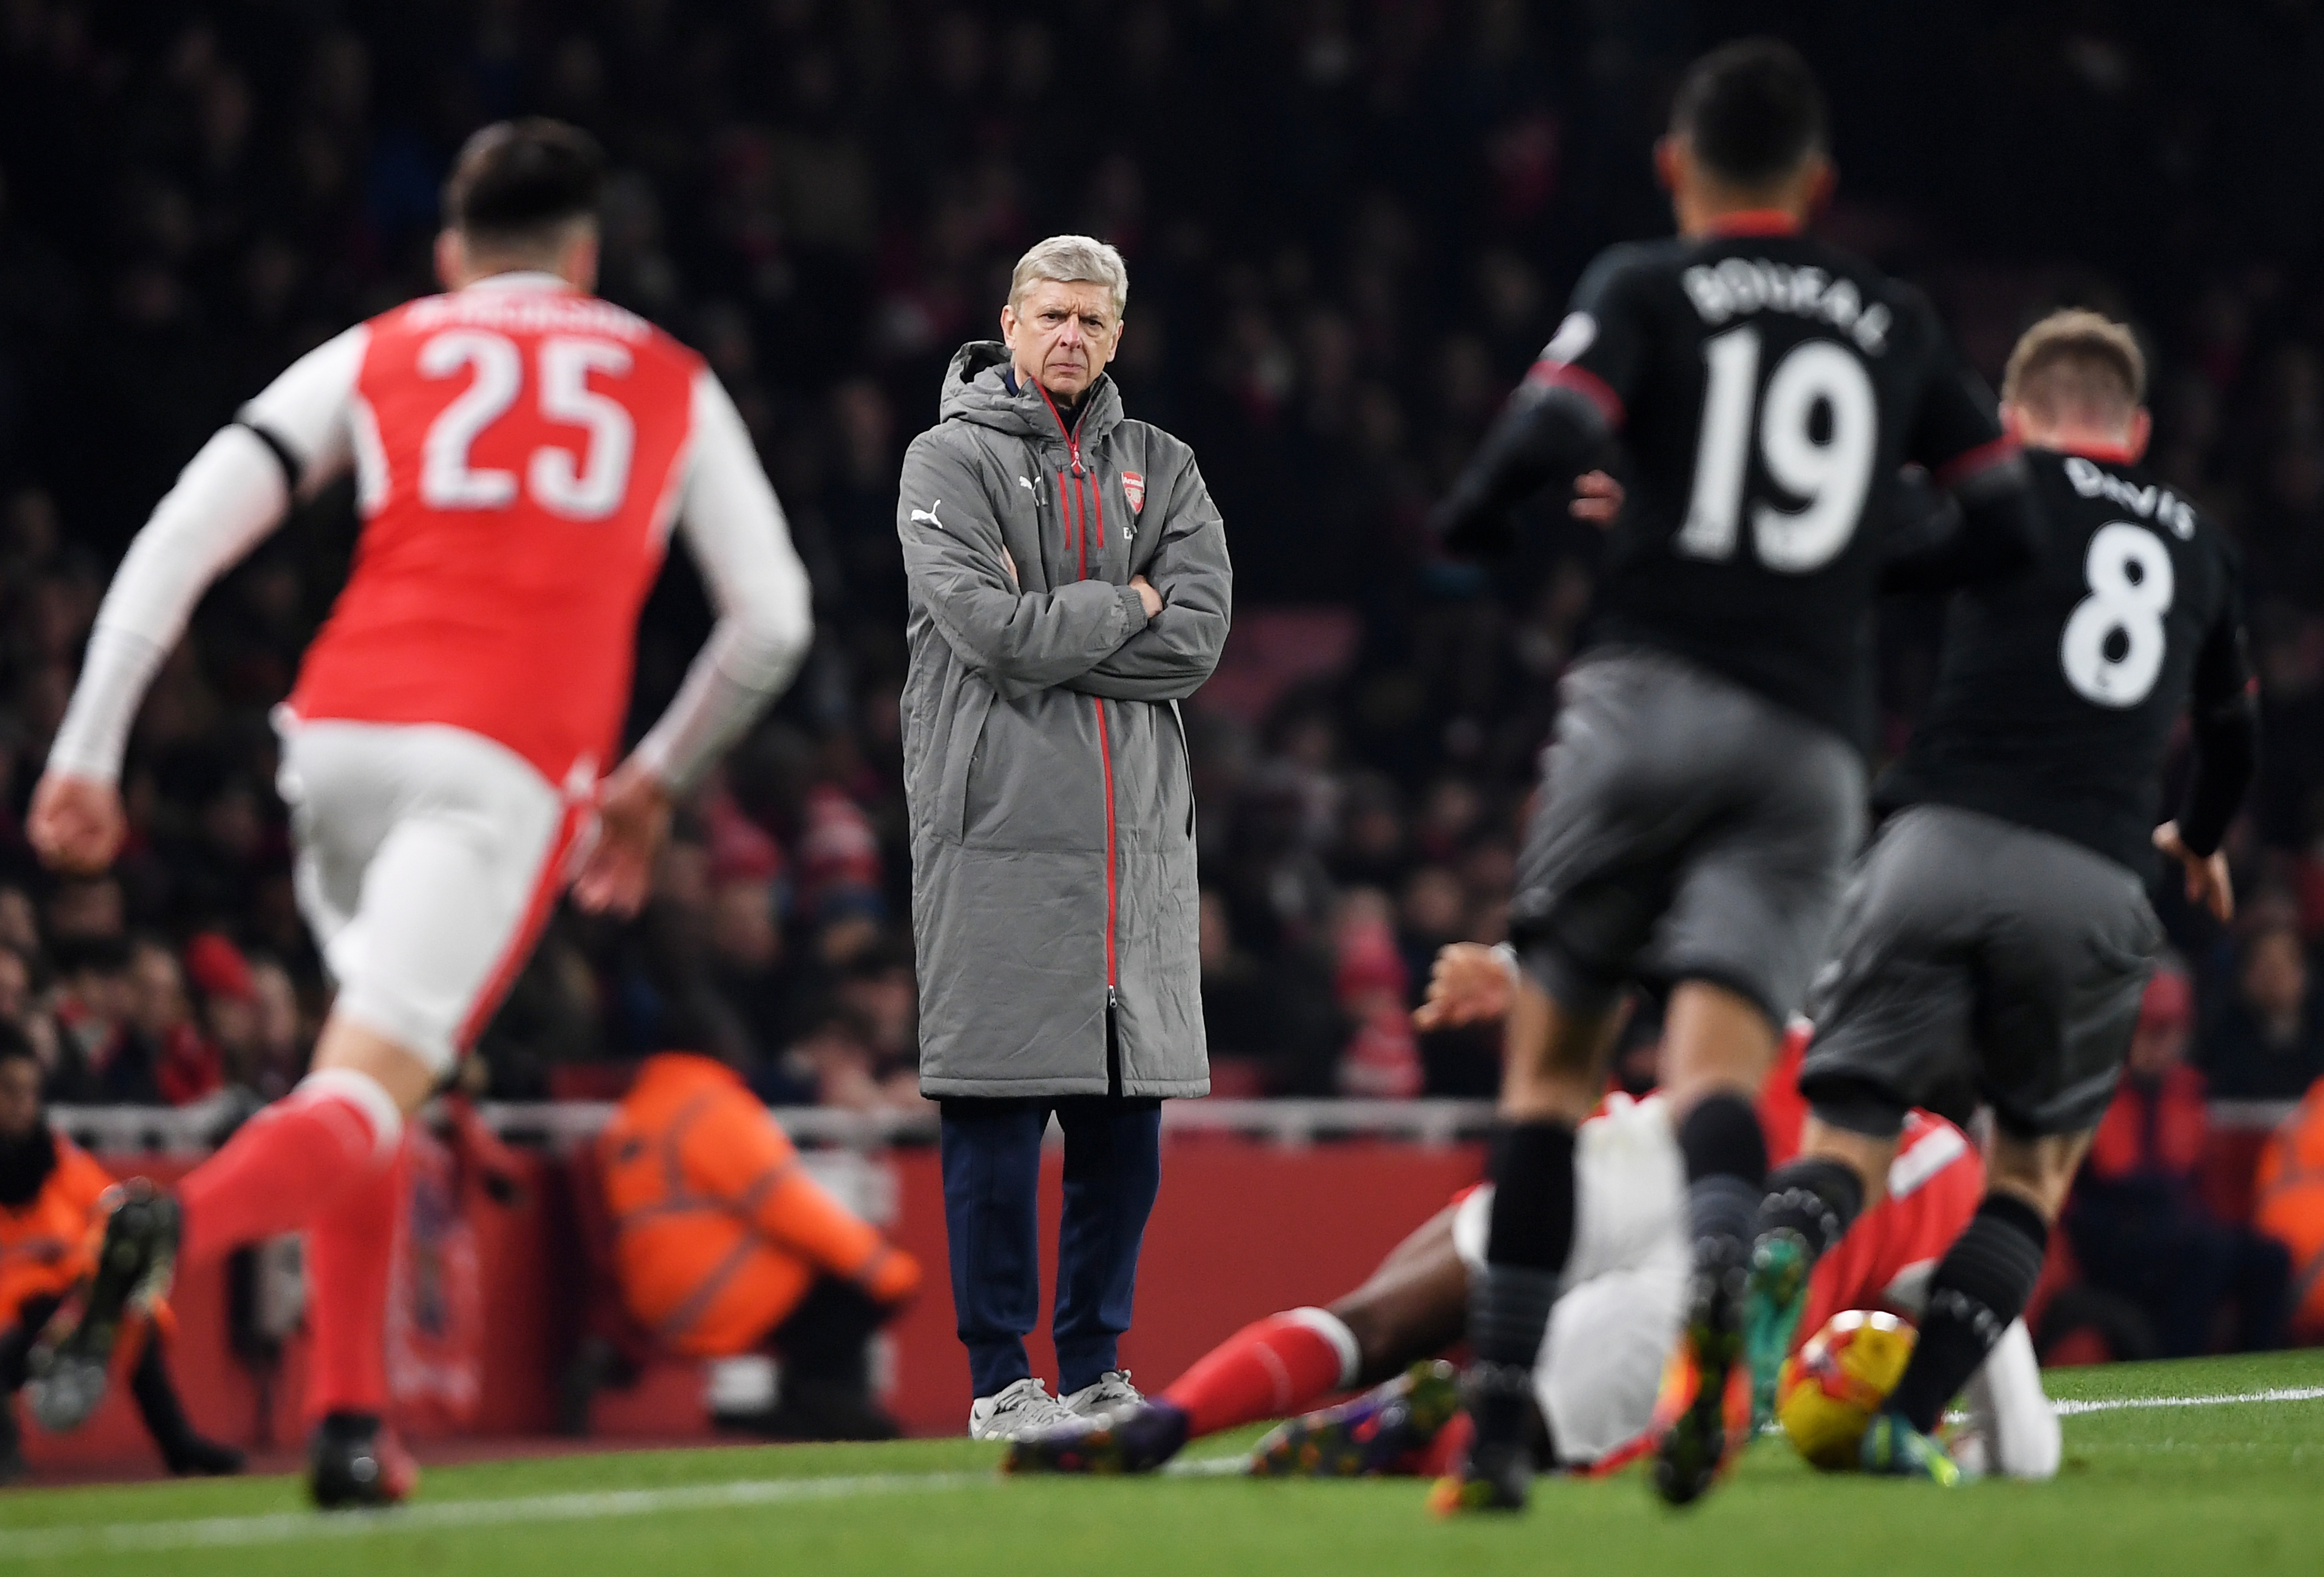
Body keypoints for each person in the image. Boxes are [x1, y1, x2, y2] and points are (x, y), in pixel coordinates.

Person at [23, 118, 813, 1507]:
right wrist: (653, 782)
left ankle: (347, 1424)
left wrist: (88, 749)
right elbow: (770, 625)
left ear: (454, 252)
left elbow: (184, 529)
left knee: (369, 1069)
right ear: (585, 255)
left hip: (332, 737)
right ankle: (148, 1237)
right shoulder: (666, 377)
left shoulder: (387, 344)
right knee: (367, 1084)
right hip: (501, 765)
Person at [1422, 38, 2040, 1510]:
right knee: (1714, 1069)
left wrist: (1470, 523)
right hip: (1810, 740)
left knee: (1548, 1076)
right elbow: (2000, 523)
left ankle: (1498, 1435)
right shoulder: (1885, 318)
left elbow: (1555, 428)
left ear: (1673, 168)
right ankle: (1722, 1253)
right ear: (1817, 185)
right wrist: (1856, 557)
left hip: (1646, 693)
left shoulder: (1646, 282)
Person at [1743, 307, 2258, 1484]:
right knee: (2026, 1175)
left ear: (2014, 415)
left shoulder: (1999, 488)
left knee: (1847, 1136)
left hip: (1933, 841)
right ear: (2132, 426)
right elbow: (2231, 742)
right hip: (2092, 873)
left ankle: (1782, 1248)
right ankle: (1907, 1419)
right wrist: (2201, 839)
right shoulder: (2202, 547)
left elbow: (1848, 553)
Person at [1008, 953, 2056, 1483]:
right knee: (1526, 1436)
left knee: (1372, 1317)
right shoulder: (1956, 1176)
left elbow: (1653, 954)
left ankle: (1166, 1421)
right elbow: (2025, 1443)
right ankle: (1412, 1431)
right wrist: (1946, 1444)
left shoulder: (1796, 1037)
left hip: (1635, 1154)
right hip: (1716, 1262)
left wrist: (1515, 968)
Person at [896, 235, 1231, 1441]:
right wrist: (1125, 602)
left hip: (1130, 854)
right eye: (1050, 317)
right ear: (1009, 319)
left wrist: (1076, 622)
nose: (1070, 338)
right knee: (992, 1121)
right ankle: (999, 1379)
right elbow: (990, 631)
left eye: (1092, 320)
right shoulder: (947, 459)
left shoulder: (1165, 467)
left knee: (1119, 1139)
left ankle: (1092, 1367)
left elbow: (1195, 641)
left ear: (1118, 333)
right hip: (992, 845)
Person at [585, 1050, 921, 1440]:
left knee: (828, 1301)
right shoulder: (709, 1107)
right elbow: (785, 1204)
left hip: (657, 1296)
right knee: (852, 1293)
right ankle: (823, 1411)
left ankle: (809, 1405)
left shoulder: (637, 1111)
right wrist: (881, 1269)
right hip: (711, 1292)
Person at [0, 1029, 241, 1483]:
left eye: (30, 1091)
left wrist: (84, 1257)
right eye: (9, 1090)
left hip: (60, 1298)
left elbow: (106, 1209)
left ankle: (178, 1443)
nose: (22, 1103)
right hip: (12, 1305)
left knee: (129, 1315)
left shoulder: (55, 1156)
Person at [2067, 969, 2290, 1357]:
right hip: (2116, 1241)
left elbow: (2198, 1184)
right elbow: (2089, 1199)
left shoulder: (2188, 1093)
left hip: (2176, 1234)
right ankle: (2178, 1365)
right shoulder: (2093, 1096)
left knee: (2269, 1256)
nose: (2160, 1045)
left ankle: (2259, 1374)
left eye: (2170, 1032)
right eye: (2150, 1031)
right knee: (2204, 1253)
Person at [2199, 915, 2324, 1100]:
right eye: (2264, 965)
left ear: (2305, 974)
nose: (2275, 977)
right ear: (2244, 975)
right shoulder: (2220, 1043)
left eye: (2284, 965)